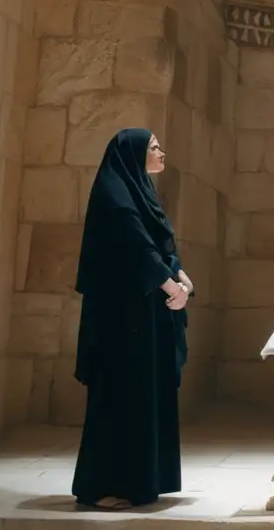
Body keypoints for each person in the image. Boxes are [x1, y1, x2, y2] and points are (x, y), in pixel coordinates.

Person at [72, 128, 192, 510]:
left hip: (144, 314)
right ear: (135, 153)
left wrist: (180, 275)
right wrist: (171, 286)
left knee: (143, 396)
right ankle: (108, 483)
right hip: (121, 319)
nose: (161, 152)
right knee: (120, 397)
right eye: (155, 147)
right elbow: (136, 247)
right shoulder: (116, 198)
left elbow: (159, 243)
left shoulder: (138, 191)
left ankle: (141, 481)